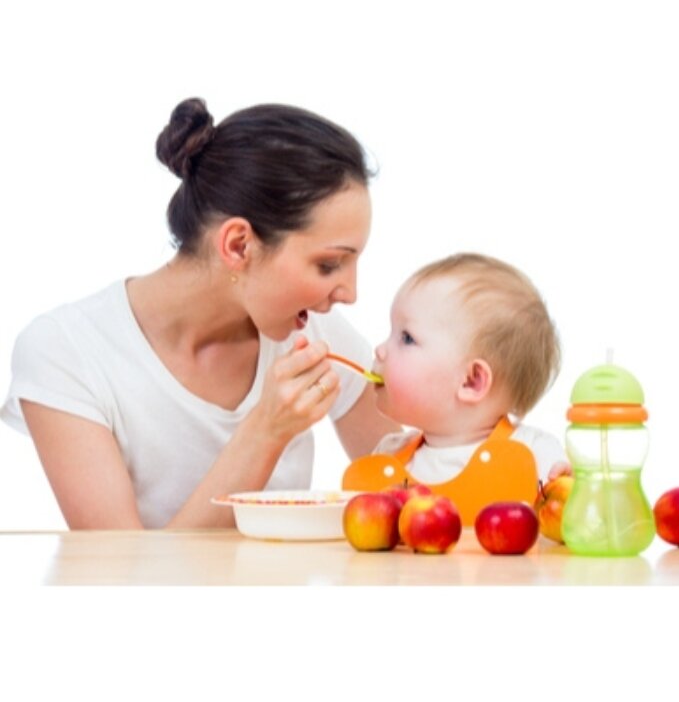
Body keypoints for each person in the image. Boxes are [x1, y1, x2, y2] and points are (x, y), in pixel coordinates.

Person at [0, 98, 399, 529]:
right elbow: (120, 565)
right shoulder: (66, 351)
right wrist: (265, 431)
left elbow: (413, 493)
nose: (350, 293)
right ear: (238, 245)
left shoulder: (312, 331)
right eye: (328, 264)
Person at [367, 252, 570, 486]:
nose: (380, 350)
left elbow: (569, 504)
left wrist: (567, 488)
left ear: (471, 381)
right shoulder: (387, 456)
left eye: (407, 338)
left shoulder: (537, 455)